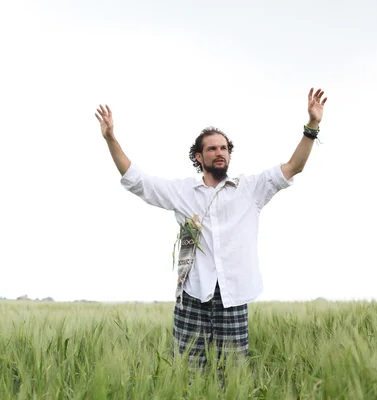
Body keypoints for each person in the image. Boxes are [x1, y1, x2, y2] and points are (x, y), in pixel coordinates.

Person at [95, 88, 327, 367]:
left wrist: (312, 126)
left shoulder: (250, 189)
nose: (220, 153)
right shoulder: (182, 191)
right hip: (194, 295)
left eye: (224, 148)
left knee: (232, 372)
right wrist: (111, 139)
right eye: (212, 148)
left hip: (234, 295)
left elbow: (293, 167)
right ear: (198, 156)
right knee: (189, 373)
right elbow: (137, 180)